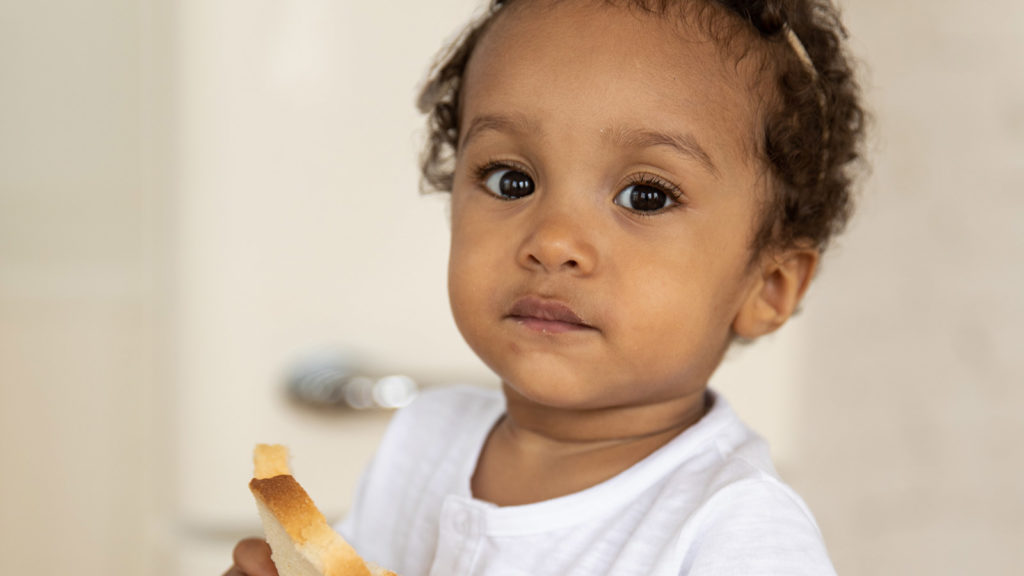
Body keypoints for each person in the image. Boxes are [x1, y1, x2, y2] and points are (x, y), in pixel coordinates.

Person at [225, 0, 865, 574]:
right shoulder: (425, 440)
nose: (553, 241)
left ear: (769, 286)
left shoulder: (734, 531)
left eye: (644, 196)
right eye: (511, 180)